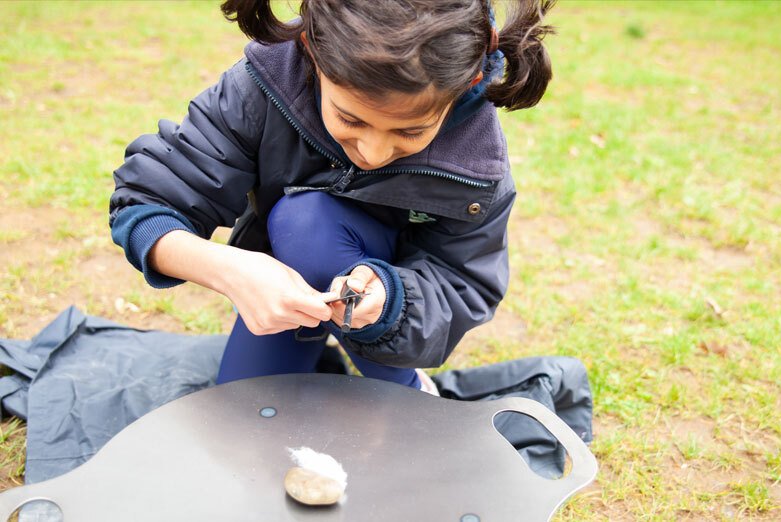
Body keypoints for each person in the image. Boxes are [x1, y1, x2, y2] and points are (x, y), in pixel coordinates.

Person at [109, 0, 554, 395]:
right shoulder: (263, 86)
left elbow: (465, 283)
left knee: (308, 223)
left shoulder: (478, 164)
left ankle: (404, 385)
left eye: (411, 130)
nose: (374, 153)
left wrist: (392, 301)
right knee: (245, 417)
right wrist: (228, 270)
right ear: (311, 51)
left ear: (466, 83)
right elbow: (147, 205)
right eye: (350, 118)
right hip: (286, 285)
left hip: (388, 321)